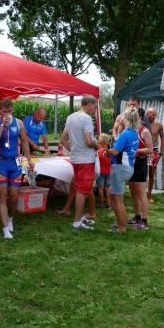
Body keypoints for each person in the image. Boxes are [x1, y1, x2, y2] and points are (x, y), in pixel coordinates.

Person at [0, 98, 33, 239]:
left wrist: (29, 159)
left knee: (14, 197)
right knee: (2, 196)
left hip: (16, 163)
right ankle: (5, 229)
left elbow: (24, 141)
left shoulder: (18, 123)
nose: (7, 114)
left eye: (10, 111)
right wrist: (2, 125)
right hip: (1, 162)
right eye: (4, 111)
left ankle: (10, 218)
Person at [60, 95, 99, 231]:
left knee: (81, 188)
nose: (95, 109)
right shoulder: (86, 118)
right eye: (94, 106)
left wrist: (74, 149)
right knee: (82, 191)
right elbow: (88, 141)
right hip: (86, 160)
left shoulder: (70, 117)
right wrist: (97, 146)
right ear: (88, 104)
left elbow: (63, 139)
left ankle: (80, 218)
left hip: (76, 158)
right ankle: (76, 222)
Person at [104, 107, 139, 233]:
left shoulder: (125, 134)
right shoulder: (134, 133)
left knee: (118, 200)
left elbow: (115, 151)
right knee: (113, 196)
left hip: (120, 168)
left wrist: (107, 150)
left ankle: (122, 227)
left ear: (126, 119)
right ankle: (120, 222)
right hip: (128, 167)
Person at [127, 108, 153, 229]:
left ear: (140, 117)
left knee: (141, 192)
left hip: (140, 162)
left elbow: (150, 149)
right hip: (130, 162)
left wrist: (135, 151)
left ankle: (144, 220)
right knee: (133, 191)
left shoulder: (145, 131)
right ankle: (137, 217)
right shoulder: (131, 130)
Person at [145, 107, 164, 203]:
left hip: (154, 150)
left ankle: (149, 194)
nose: (154, 116)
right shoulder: (142, 124)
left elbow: (163, 137)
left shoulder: (158, 125)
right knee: (142, 172)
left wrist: (161, 152)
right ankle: (141, 193)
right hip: (144, 150)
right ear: (147, 114)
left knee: (151, 172)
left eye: (155, 115)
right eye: (152, 114)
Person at [96, 134, 112, 209]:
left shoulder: (98, 152)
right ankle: (109, 203)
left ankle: (101, 203)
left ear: (99, 142)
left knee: (100, 188)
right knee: (107, 188)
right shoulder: (110, 152)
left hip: (101, 172)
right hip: (108, 172)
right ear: (108, 143)